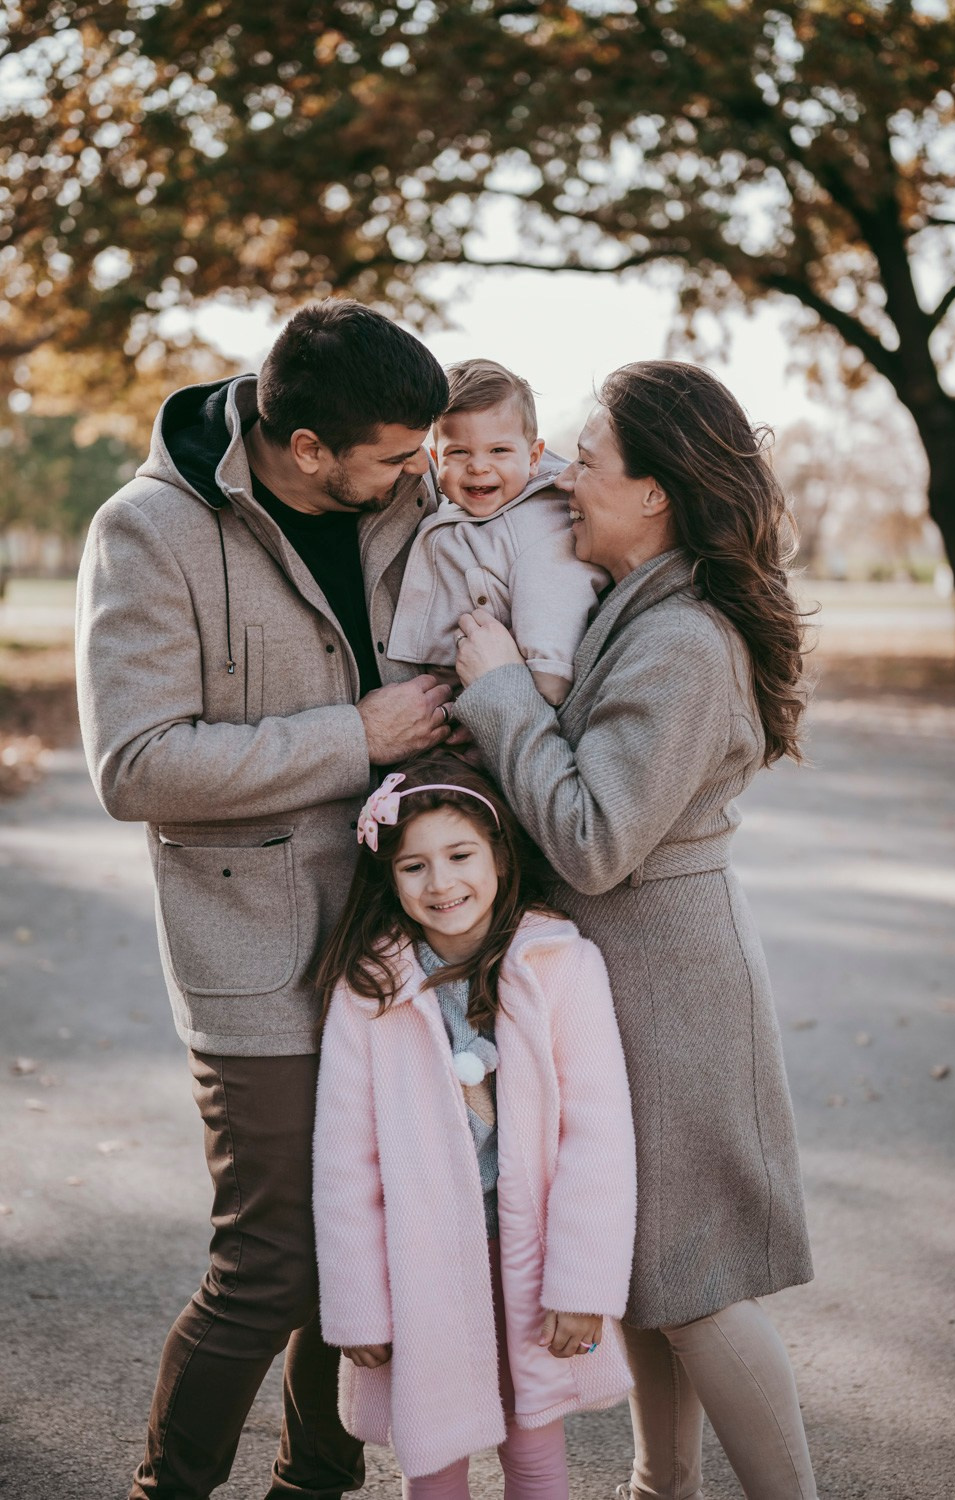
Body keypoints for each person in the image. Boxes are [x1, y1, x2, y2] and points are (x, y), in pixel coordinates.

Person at [75, 300, 459, 1499]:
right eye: (398, 455)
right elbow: (135, 764)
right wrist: (351, 736)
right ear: (306, 451)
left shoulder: (415, 500)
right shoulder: (147, 533)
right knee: (274, 1262)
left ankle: (314, 1485)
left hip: (402, 941)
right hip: (248, 948)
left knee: (373, 1251)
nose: (421, 472)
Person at [451, 361, 820, 1500]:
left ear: (655, 491)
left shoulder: (682, 642)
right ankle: (659, 1488)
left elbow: (595, 837)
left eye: (588, 458)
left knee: (696, 1276)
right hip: (622, 970)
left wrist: (501, 689)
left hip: (668, 979)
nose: (560, 474)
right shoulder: (634, 605)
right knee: (648, 1267)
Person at [312, 753, 637, 1498]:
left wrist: (582, 1284)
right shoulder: (372, 988)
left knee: (534, 1440)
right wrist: (360, 1304)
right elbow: (344, 1161)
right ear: (389, 879)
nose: (441, 883)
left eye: (459, 855)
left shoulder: (558, 966)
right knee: (433, 1450)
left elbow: (599, 1138)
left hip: (532, 1255)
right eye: (414, 867)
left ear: (497, 853)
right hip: (420, 1265)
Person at [386, 358, 607, 705]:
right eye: (458, 452)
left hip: (510, 691)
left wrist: (546, 673)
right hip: (452, 690)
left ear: (533, 457)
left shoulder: (540, 519)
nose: (478, 466)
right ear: (436, 457)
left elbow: (555, 592)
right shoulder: (466, 507)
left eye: (499, 451)